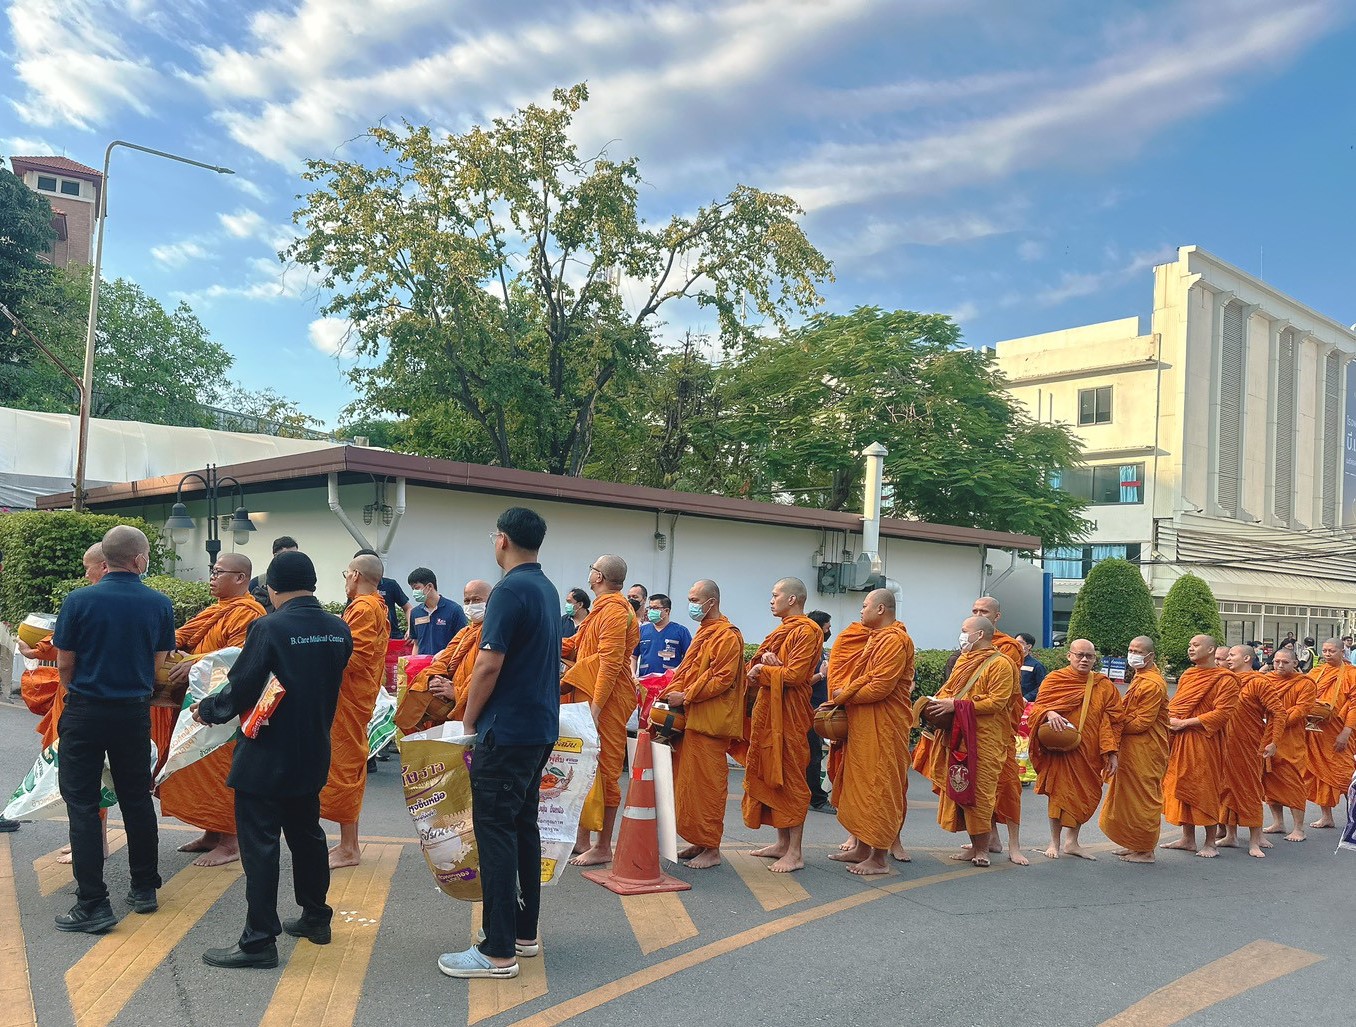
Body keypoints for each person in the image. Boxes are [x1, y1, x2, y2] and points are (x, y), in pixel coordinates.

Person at [193, 550, 352, 968]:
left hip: (266, 753)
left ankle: (259, 941)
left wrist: (208, 710)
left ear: (273, 588)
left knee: (261, 845)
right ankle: (316, 917)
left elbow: (243, 685)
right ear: (313, 584)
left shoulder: (269, 626)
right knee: (307, 835)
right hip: (313, 749)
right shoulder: (338, 628)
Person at [438, 507, 560, 980]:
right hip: (537, 729)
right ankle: (524, 933)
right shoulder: (546, 588)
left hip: (506, 732)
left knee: (494, 832)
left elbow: (489, 664)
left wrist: (467, 720)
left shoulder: (509, 591)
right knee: (522, 827)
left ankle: (497, 951)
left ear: (503, 540)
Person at [51, 525, 175, 933]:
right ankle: (144, 888)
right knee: (136, 798)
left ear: (105, 560)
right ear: (139, 560)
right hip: (132, 712)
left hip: (85, 710)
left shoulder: (78, 600)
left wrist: (77, 693)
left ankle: (93, 902)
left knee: (83, 803)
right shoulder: (159, 603)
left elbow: (64, 661)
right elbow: (159, 662)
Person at [158, 553, 268, 868]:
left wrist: (193, 662)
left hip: (225, 704)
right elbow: (185, 635)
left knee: (221, 768)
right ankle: (211, 833)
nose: (212, 577)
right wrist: (167, 647)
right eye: (213, 571)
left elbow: (238, 658)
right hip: (198, 699)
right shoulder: (217, 609)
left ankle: (231, 841)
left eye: (219, 572)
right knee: (198, 766)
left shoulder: (249, 613)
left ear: (241, 578)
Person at [913, 616, 1015, 868]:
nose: (961, 635)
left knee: (980, 794)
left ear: (979, 635)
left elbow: (997, 702)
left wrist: (956, 705)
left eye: (964, 631)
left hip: (984, 740)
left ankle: (982, 850)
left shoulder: (1001, 664)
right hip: (958, 735)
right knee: (961, 788)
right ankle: (973, 845)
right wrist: (936, 702)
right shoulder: (964, 660)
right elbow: (950, 690)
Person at [824, 589, 914, 876]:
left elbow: (879, 687)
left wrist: (843, 695)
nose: (861, 611)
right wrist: (846, 693)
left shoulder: (894, 640)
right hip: (863, 725)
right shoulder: (876, 638)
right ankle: (862, 848)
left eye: (865, 606)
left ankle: (879, 858)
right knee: (861, 784)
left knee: (879, 786)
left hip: (885, 727)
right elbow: (864, 679)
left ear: (881, 609)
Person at [658, 579, 745, 870]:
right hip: (693, 720)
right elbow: (689, 670)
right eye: (690, 599)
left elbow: (722, 678)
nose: (691, 605)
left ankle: (713, 848)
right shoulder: (705, 631)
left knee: (708, 787)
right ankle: (698, 840)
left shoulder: (727, 636)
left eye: (695, 600)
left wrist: (686, 695)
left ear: (711, 602)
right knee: (689, 786)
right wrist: (670, 691)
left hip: (711, 724)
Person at [562, 554, 640, 867]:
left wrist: (595, 710)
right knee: (586, 767)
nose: (590, 573)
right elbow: (577, 645)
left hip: (606, 702)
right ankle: (582, 839)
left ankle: (603, 845)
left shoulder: (616, 611)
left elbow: (610, 663)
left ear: (599, 577)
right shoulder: (600, 609)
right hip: (590, 696)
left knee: (605, 771)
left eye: (592, 568)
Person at [743, 577, 823, 874]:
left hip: (790, 714)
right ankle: (781, 844)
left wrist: (765, 669)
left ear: (792, 599)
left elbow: (795, 675)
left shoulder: (808, 630)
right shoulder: (781, 630)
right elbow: (754, 668)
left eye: (775, 594)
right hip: (768, 711)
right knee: (771, 773)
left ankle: (795, 852)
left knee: (790, 777)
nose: (771, 600)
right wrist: (763, 664)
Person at [319, 553, 388, 869]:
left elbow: (355, 658)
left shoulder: (363, 607)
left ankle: (350, 847)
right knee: (345, 767)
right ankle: (347, 843)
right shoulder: (375, 606)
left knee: (344, 769)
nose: (345, 579)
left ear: (356, 575)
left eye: (346, 573)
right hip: (353, 698)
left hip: (348, 700)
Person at [1026, 639, 1121, 860]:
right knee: (1057, 794)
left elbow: (1115, 719)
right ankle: (1054, 842)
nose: (1084, 659)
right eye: (1079, 655)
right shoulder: (1055, 679)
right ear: (1069, 656)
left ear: (1095, 659)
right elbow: (1037, 708)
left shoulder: (1103, 685)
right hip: (1060, 750)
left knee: (1084, 794)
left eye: (1089, 656)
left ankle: (1072, 842)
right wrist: (1049, 713)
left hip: (1089, 751)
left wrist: (1112, 752)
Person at [1160, 634, 1239, 858]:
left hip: (1206, 740)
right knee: (1182, 785)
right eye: (1189, 645)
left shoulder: (1226, 679)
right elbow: (1178, 704)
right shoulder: (1188, 675)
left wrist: (1185, 723)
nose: (1190, 648)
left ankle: (1210, 842)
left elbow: (1223, 713)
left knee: (1205, 788)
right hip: (1181, 739)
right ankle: (1187, 839)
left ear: (1211, 649)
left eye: (1196, 645)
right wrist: (1171, 720)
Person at [1099, 635, 1169, 863]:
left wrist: (1112, 726)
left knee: (1143, 798)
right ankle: (1134, 843)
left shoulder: (1152, 683)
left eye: (1138, 652)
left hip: (1147, 749)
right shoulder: (1141, 677)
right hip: (1134, 748)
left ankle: (1146, 850)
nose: (1133, 655)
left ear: (1150, 656)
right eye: (1131, 650)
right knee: (1128, 798)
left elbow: (1141, 723)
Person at [971, 596, 1027, 865]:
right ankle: (987, 838)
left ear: (997, 617)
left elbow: (1001, 690)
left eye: (984, 611)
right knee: (978, 787)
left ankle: (1014, 845)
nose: (978, 614)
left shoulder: (1008, 648)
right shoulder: (970, 645)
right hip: (973, 725)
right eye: (975, 610)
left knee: (1007, 787)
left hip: (999, 728)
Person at [1217, 645, 1284, 858]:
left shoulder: (1258, 682)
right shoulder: (1226, 680)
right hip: (1225, 743)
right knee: (1226, 788)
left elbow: (1278, 712)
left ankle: (1255, 841)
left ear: (1246, 658)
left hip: (1249, 744)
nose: (1228, 658)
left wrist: (1273, 741)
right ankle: (1231, 835)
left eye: (1232, 655)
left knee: (1250, 790)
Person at [410, 580, 494, 723]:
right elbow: (444, 659)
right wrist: (434, 678)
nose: (471, 605)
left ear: (491, 601)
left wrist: (456, 692)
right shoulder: (465, 632)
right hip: (454, 705)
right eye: (467, 601)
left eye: (477, 600)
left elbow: (487, 672)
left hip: (480, 710)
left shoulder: (494, 633)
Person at [1262, 647, 1315, 841]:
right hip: (1267, 736)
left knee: (1293, 782)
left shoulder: (1305, 683)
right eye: (1277, 661)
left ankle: (1299, 828)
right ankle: (1278, 822)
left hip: (1291, 739)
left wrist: (1278, 721)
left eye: (1285, 662)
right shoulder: (1266, 680)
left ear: (1295, 663)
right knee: (1270, 779)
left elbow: (1302, 709)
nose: (1280, 665)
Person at [1304, 639, 1356, 829]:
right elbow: (1304, 693)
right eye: (1325, 650)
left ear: (1342, 652)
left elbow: (1354, 705)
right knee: (1319, 774)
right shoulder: (1316, 672)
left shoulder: (1352, 674)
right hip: (1316, 731)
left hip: (1340, 731)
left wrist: (1346, 732)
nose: (1327, 654)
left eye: (1332, 651)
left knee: (1346, 775)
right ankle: (1326, 816)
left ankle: (1354, 816)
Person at [805, 611, 833, 813]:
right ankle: (817, 799)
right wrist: (821, 675)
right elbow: (800, 681)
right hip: (809, 711)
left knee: (815, 756)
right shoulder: (808, 650)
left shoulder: (820, 650)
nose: (830, 631)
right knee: (813, 757)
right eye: (827, 628)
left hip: (820, 709)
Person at [407, 568, 467, 656]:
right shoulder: (415, 613)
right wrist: (414, 661)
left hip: (446, 662)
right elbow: (416, 644)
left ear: (429, 586)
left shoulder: (454, 610)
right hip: (423, 663)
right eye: (413, 589)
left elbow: (463, 642)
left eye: (417, 588)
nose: (414, 592)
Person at [356, 549, 412, 641]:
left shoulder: (390, 585)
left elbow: (408, 608)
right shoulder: (355, 588)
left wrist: (411, 629)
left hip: (392, 636)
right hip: (367, 638)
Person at [637, 594, 692, 677]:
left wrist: (676, 670)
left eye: (655, 608)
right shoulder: (642, 630)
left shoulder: (681, 631)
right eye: (650, 608)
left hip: (671, 680)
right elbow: (633, 656)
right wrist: (632, 673)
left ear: (666, 611)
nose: (651, 611)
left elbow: (690, 657)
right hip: (645, 679)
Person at [249, 536, 297, 613]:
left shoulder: (302, 581)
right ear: (275, 556)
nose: (292, 559)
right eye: (287, 555)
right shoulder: (258, 582)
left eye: (296, 555)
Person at [1016, 632, 1047, 703]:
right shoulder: (1010, 662)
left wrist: (1027, 698)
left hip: (1028, 703)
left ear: (1029, 646)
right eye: (1015, 642)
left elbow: (1042, 686)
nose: (1016, 644)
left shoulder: (1036, 665)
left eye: (1020, 642)